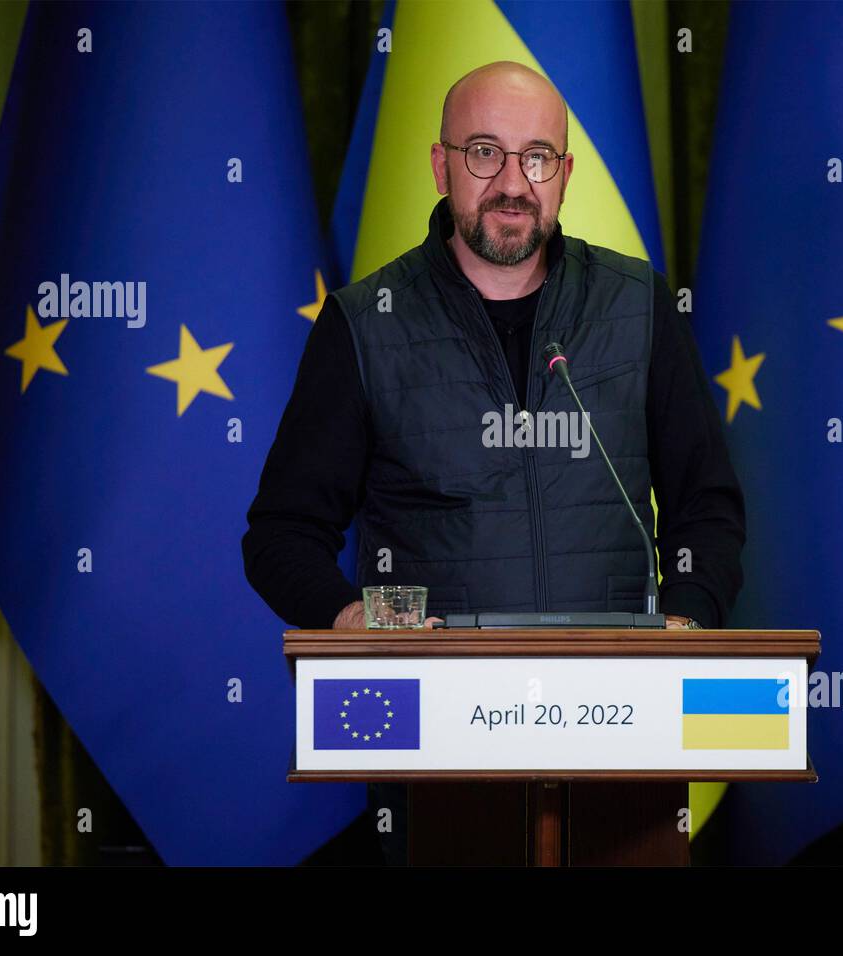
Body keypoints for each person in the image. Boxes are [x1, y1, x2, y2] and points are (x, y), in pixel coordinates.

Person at [242, 61, 745, 864]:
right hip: (433, 747)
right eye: (485, 152)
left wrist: (684, 622)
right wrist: (347, 619)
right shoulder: (363, 325)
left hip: (623, 737)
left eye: (537, 156)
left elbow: (707, 510)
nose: (513, 182)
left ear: (565, 175)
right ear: (441, 165)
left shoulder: (640, 306)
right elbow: (281, 534)